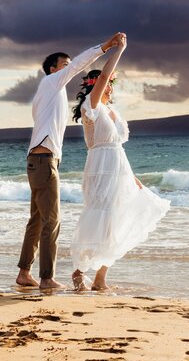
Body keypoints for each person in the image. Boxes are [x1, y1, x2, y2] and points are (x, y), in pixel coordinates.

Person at [16, 32, 125, 290]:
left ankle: (24, 273)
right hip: (43, 161)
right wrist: (105, 47)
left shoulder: (51, 94)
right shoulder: (51, 83)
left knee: (37, 219)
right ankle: (46, 278)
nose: (70, 69)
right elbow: (80, 65)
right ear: (53, 70)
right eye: (64, 66)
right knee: (51, 220)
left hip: (39, 160)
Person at [70, 34, 170, 291]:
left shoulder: (113, 112)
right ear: (94, 85)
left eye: (111, 84)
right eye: (106, 83)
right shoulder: (90, 108)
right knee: (99, 217)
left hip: (119, 167)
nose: (109, 86)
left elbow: (119, 148)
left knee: (117, 220)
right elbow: (103, 77)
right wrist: (119, 50)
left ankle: (101, 278)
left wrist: (132, 177)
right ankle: (79, 271)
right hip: (100, 165)